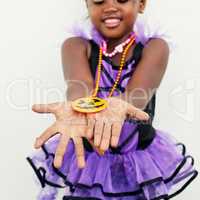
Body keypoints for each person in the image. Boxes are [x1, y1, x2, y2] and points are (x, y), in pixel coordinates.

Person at [26, 0, 198, 199]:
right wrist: (77, 108)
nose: (110, 6)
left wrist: (120, 105)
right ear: (87, 4)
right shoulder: (76, 46)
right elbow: (78, 87)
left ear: (141, 4)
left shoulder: (155, 47)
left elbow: (137, 95)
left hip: (138, 159)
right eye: (99, 0)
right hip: (91, 159)